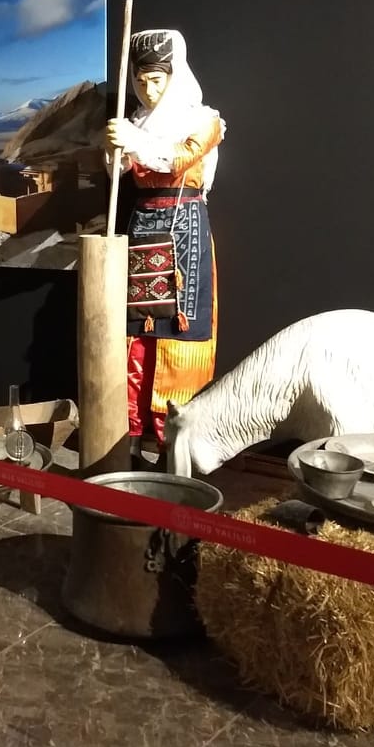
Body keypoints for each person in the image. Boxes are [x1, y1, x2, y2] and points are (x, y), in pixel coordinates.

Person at [107, 29, 226, 458]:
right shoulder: (135, 122)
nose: (148, 90)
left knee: (178, 333)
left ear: (174, 77)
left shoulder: (204, 121)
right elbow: (119, 173)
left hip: (185, 228)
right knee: (136, 333)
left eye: (157, 80)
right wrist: (115, 151)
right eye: (140, 81)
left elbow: (178, 159)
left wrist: (133, 141)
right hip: (142, 228)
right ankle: (129, 438)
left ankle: (171, 443)